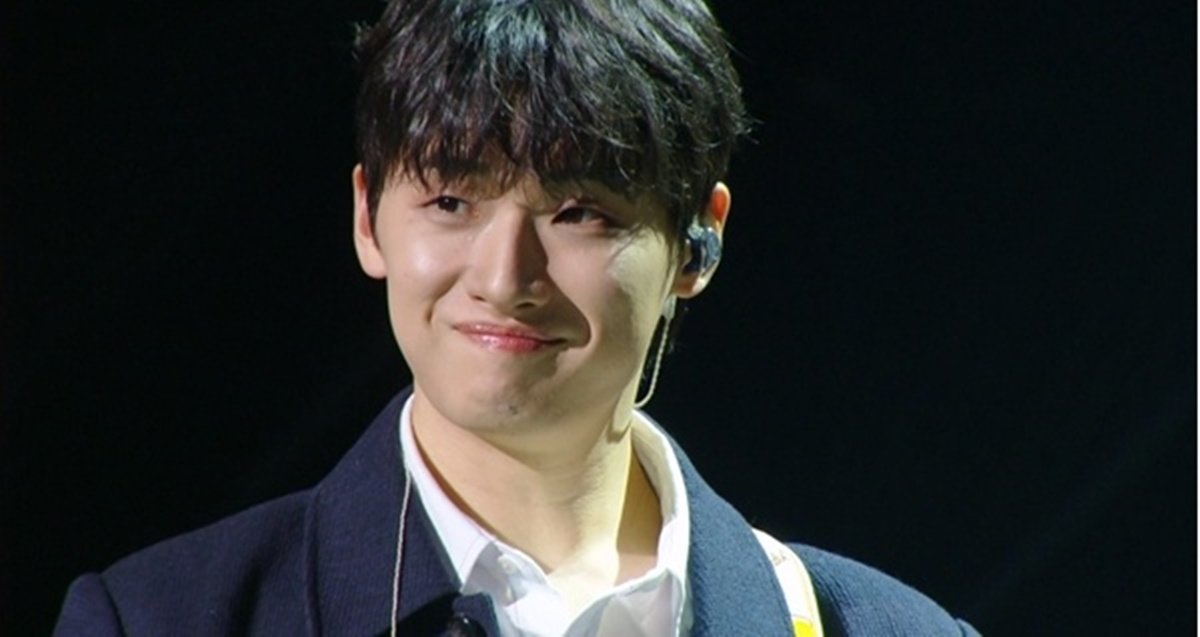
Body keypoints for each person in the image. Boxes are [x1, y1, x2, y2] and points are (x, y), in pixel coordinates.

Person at [54, 1, 979, 635]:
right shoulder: (162, 618)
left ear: (698, 241)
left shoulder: (886, 628)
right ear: (367, 215)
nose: (504, 278)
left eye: (580, 213)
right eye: (451, 201)